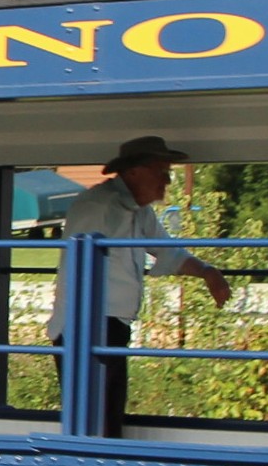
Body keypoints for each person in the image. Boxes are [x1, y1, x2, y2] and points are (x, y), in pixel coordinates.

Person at [47, 135, 232, 438]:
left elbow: (167, 251)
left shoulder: (137, 210)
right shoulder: (98, 207)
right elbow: (79, 265)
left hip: (109, 324)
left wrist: (207, 272)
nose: (167, 181)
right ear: (134, 172)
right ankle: (92, 465)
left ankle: (99, 462)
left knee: (106, 416)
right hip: (86, 325)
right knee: (94, 420)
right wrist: (85, 330)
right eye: (161, 172)